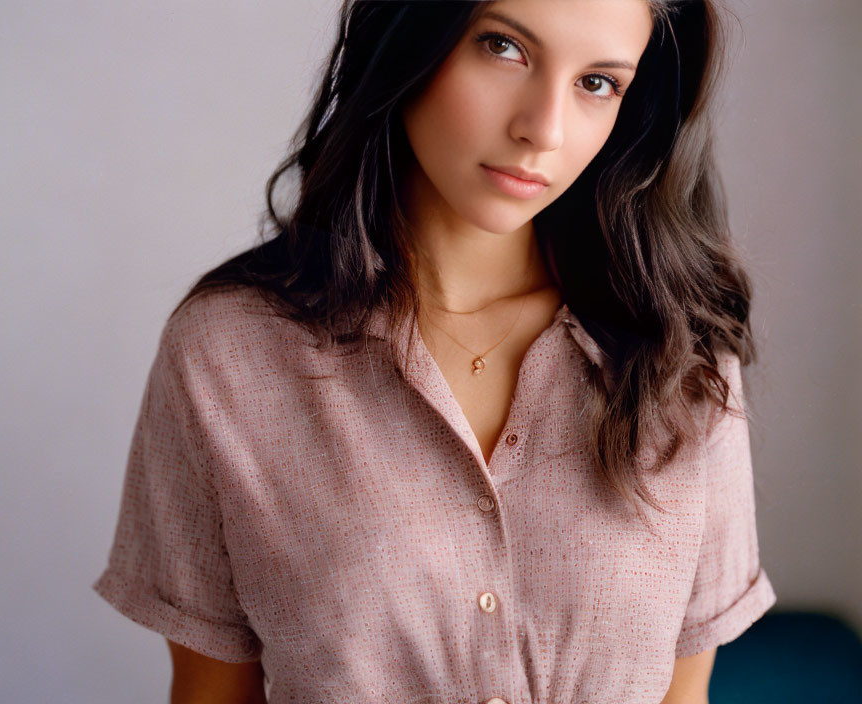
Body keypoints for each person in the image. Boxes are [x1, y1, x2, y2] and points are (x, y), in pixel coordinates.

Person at [92, 0, 777, 702]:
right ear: (412, 33)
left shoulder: (682, 353)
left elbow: (682, 693)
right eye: (504, 47)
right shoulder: (227, 355)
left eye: (597, 83)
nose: (543, 129)